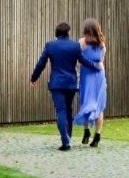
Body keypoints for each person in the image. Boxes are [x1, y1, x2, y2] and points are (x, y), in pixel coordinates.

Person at [30, 22, 101, 151]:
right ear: (68, 32)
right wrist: (96, 67)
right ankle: (68, 136)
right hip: (71, 84)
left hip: (57, 84)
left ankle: (65, 141)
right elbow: (83, 61)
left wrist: (34, 78)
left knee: (61, 111)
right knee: (68, 110)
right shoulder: (75, 45)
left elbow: (41, 63)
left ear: (57, 33)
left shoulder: (50, 45)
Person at [73, 18, 107, 147]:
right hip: (99, 76)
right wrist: (104, 80)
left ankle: (86, 131)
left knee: (85, 103)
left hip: (87, 76)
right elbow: (101, 63)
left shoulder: (82, 42)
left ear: (86, 29)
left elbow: (78, 59)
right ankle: (97, 135)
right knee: (98, 107)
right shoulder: (102, 44)